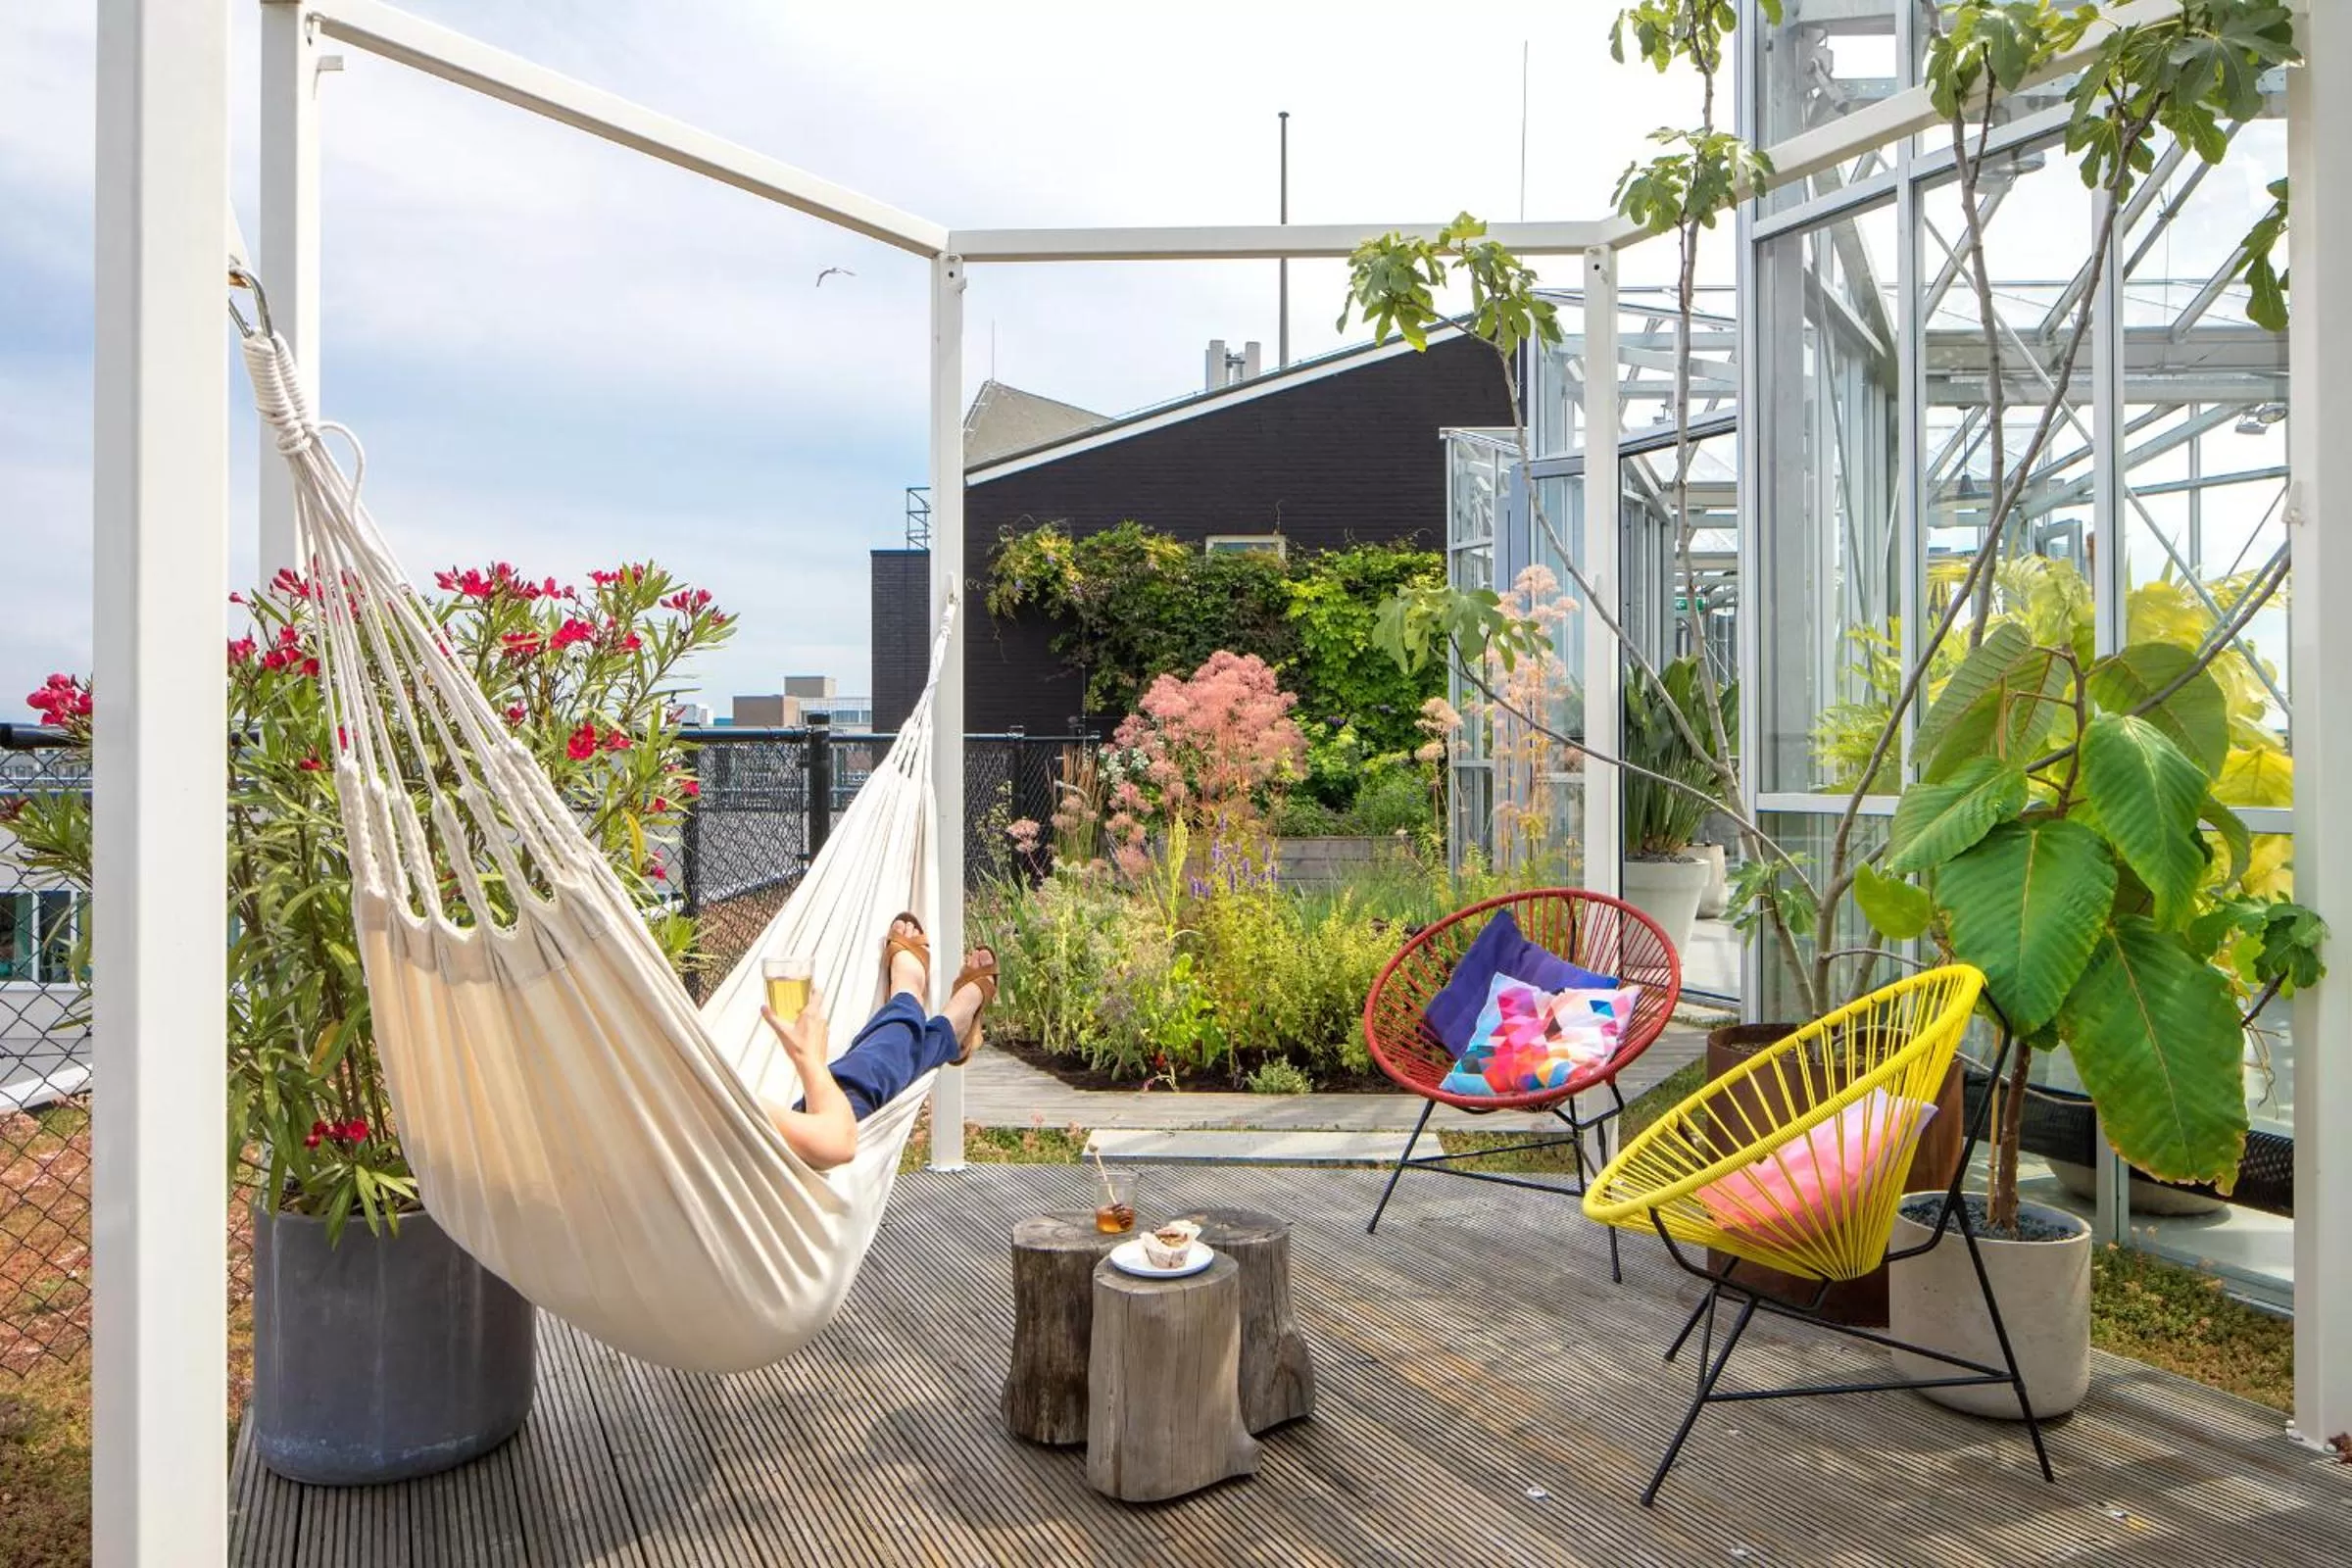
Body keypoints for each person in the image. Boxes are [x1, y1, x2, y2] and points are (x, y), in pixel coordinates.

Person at [760, 913, 996, 1171]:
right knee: (863, 1075)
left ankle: (940, 1024)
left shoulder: (725, 1102)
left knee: (872, 1070)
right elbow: (838, 1141)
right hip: (793, 1161)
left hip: (774, 1149)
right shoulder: (723, 1102)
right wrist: (809, 1058)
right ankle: (914, 1000)